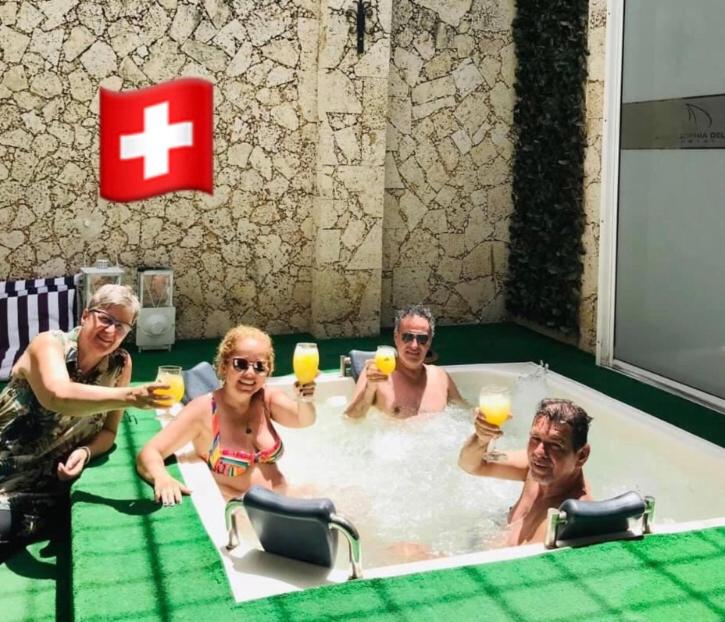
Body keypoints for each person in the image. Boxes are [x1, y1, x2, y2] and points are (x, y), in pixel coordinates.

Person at [0, 284, 168, 557]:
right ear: (85, 315)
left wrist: (86, 451)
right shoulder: (49, 344)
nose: (111, 331)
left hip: (43, 487)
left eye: (121, 326)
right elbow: (57, 395)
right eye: (105, 319)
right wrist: (130, 396)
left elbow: (109, 431)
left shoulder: (120, 365)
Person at [136, 325, 317, 506]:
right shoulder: (203, 410)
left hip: (285, 498)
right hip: (243, 510)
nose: (250, 373)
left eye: (260, 366)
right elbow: (150, 452)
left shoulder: (267, 398)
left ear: (267, 371)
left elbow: (304, 420)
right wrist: (162, 478)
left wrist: (305, 398)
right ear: (224, 366)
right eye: (241, 364)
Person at [458, 398, 593, 546]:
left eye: (555, 445)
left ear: (582, 455)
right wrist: (481, 439)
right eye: (535, 438)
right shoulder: (534, 466)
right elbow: (471, 465)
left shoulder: (571, 518)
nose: (538, 452)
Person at [345, 304, 464, 418]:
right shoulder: (376, 373)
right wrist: (369, 388)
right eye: (407, 337)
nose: (414, 345)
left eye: (422, 339)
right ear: (396, 337)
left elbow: (464, 413)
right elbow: (351, 419)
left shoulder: (441, 377)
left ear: (429, 342)